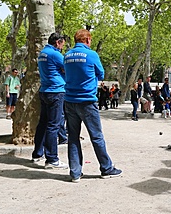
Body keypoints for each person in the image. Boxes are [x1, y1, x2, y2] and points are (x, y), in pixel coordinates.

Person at [64, 29, 122, 182]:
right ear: (88, 40)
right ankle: (106, 168)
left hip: (69, 100)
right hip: (87, 101)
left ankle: (75, 172)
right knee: (96, 136)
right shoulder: (92, 55)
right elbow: (101, 74)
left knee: (73, 137)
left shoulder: (67, 55)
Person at [31, 32, 68, 169]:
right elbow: (67, 68)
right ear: (57, 42)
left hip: (44, 91)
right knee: (54, 125)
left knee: (43, 124)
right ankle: (52, 159)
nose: (62, 48)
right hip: (56, 91)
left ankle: (37, 153)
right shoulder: (55, 54)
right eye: (62, 45)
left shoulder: (43, 53)